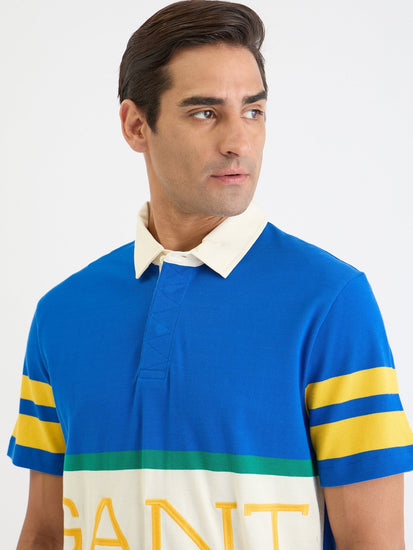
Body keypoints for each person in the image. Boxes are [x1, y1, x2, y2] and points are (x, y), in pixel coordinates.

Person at [8, 1, 413, 548]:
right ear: (136, 125)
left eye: (253, 111)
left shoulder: (331, 303)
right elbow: (44, 533)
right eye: (205, 113)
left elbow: (374, 541)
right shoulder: (62, 314)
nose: (238, 142)